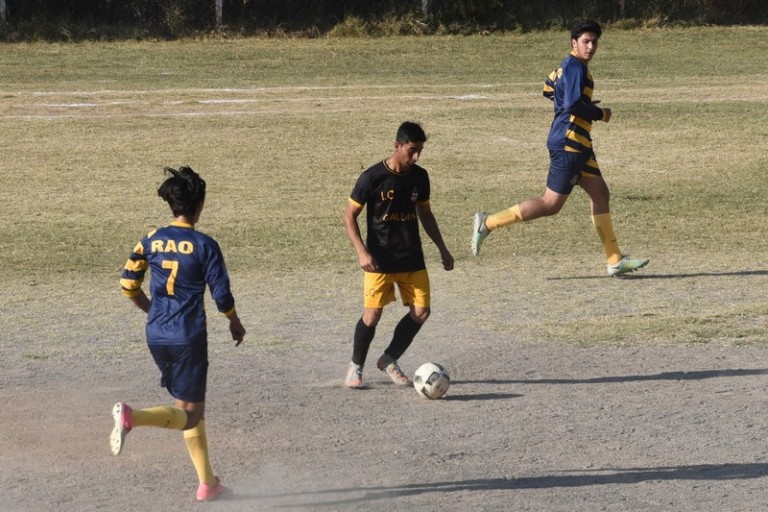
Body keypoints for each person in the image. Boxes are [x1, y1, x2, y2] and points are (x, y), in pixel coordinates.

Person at [471, 20, 649, 277]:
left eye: (594, 42)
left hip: (580, 144)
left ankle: (614, 260)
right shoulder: (576, 66)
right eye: (586, 41)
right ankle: (487, 223)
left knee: (600, 194)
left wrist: (577, 101)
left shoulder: (566, 66)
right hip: (569, 144)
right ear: (574, 43)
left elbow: (548, 87)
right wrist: (600, 113)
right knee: (550, 204)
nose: (591, 47)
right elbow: (572, 105)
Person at [112, 166, 246, 502]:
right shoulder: (205, 245)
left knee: (186, 408)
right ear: (200, 204)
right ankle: (132, 417)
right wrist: (234, 321)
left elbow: (128, 285)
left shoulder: (150, 239)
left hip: (156, 335)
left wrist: (153, 312)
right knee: (190, 415)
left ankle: (207, 484)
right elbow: (221, 296)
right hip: (188, 338)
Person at [343, 121, 454, 389]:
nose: (416, 157)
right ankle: (355, 367)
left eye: (420, 151)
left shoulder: (420, 177)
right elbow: (349, 215)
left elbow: (425, 214)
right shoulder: (372, 178)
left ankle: (389, 359)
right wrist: (362, 252)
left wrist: (443, 248)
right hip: (379, 261)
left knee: (422, 312)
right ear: (397, 146)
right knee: (372, 316)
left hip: (412, 257)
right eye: (412, 150)